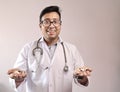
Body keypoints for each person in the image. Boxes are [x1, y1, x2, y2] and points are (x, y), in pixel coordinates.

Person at [7, 6, 92, 92]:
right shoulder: (28, 48)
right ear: (40, 26)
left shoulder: (72, 49)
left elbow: (83, 79)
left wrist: (81, 76)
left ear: (60, 24)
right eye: (46, 22)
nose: (51, 26)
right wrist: (18, 78)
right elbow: (17, 75)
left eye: (55, 21)